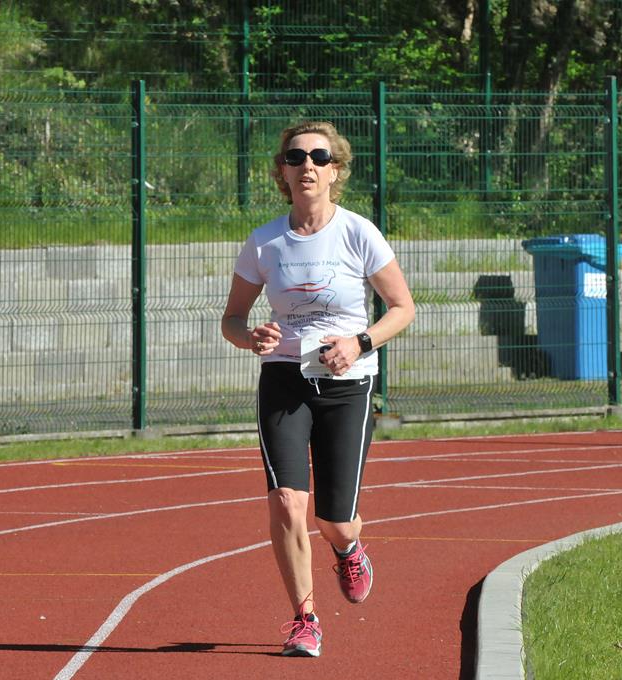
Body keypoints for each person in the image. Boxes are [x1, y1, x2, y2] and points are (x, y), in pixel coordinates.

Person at [221, 121, 415, 657]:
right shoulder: (264, 242)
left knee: (334, 520)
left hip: (347, 384)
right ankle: (304, 619)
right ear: (282, 172)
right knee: (287, 502)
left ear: (335, 171)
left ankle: (349, 549)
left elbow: (403, 307)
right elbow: (232, 319)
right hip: (284, 379)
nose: (307, 165)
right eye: (296, 157)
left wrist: (359, 342)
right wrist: (250, 337)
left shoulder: (358, 233)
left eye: (319, 157)